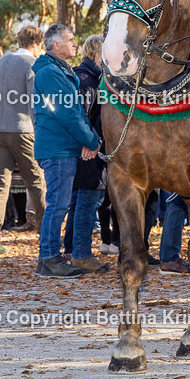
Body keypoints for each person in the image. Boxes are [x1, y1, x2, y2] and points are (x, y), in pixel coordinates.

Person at [32, 25, 101, 278]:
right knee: (57, 206)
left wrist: (86, 140)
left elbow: (76, 112)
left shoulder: (59, 70)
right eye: (70, 40)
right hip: (57, 149)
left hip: (62, 146)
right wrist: (92, 140)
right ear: (56, 45)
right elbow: (69, 113)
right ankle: (49, 259)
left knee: (59, 205)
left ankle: (49, 258)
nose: (75, 44)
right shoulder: (51, 72)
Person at [0, 25, 48, 254]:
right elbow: (33, 103)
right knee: (36, 182)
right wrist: (39, 132)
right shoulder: (31, 65)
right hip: (24, 131)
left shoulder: (0, 62)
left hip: (0, 131)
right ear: (37, 43)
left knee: (0, 184)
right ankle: (45, 236)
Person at [63, 35, 109, 274]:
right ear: (98, 53)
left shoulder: (89, 78)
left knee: (82, 201)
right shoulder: (87, 80)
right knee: (87, 202)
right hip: (88, 152)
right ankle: (81, 254)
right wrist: (93, 142)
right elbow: (81, 117)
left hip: (88, 150)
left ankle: (72, 250)